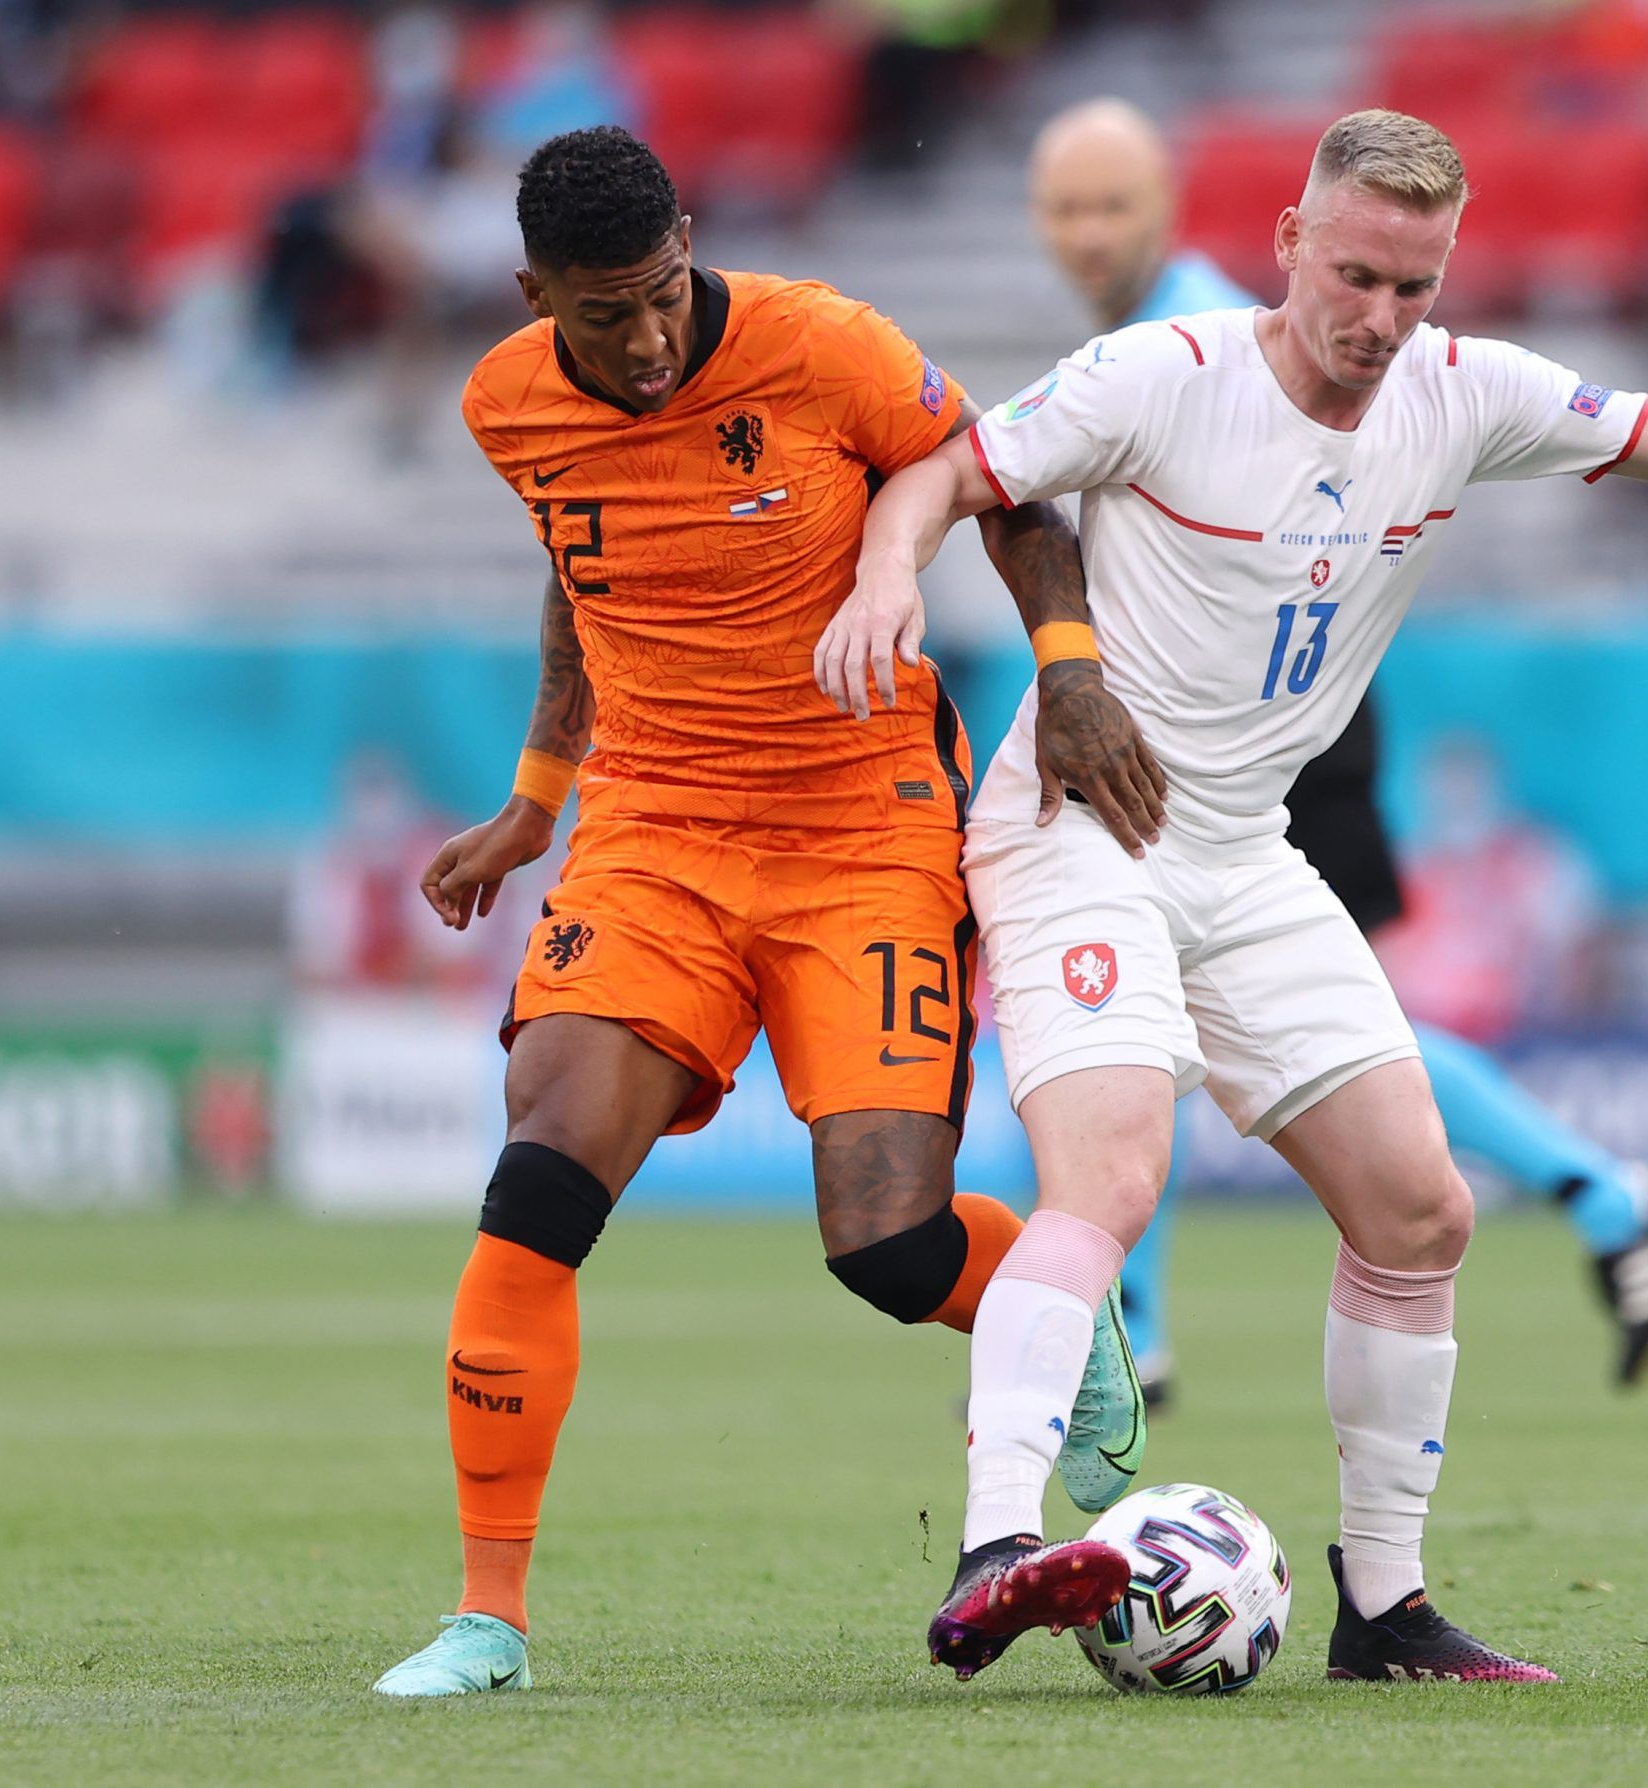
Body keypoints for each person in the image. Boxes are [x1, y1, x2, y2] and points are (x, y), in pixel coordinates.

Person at [825, 107, 1648, 1683]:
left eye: (1415, 286)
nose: (1382, 318)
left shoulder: (1462, 393)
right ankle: (996, 1548)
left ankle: (1384, 1613)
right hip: (1077, 830)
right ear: (1290, 244)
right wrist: (889, 574)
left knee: (1421, 1209)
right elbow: (949, 472)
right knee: (1108, 1180)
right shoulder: (1162, 375)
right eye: (1358, 277)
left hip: (1243, 847)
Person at [371, 126, 1148, 1699]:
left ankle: (1055, 1299)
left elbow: (1007, 494)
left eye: (665, 293)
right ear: (535, 298)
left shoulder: (821, 344)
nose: (651, 339)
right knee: (539, 1173)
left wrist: (1069, 673)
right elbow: (578, 573)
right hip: (654, 830)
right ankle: (487, 1621)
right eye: (607, 315)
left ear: (691, 244)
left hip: (861, 825)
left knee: (889, 1248)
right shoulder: (505, 404)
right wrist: (536, 797)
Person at [1024, 96, 1648, 1397]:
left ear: (1168, 207)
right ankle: (1606, 1195)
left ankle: (1141, 1330)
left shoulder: (1209, 332)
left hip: (1268, 732)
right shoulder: (1148, 340)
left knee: (1266, 1029)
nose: (1088, 232)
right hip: (1228, 723)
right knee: (1219, 1022)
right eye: (1065, 208)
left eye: (1112, 204)